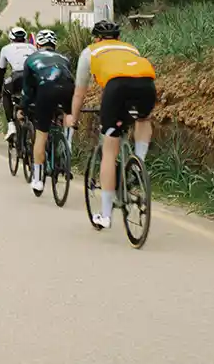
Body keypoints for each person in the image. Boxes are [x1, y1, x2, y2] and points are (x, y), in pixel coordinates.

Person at [65, 19, 156, 230]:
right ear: (118, 38)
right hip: (146, 84)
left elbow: (80, 92)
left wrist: (74, 119)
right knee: (143, 118)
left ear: (96, 38)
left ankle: (105, 215)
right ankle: (139, 162)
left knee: (109, 149)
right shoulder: (130, 48)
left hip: (117, 88)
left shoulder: (90, 52)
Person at [22, 29, 74, 193]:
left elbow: (28, 90)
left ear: (37, 45)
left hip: (46, 90)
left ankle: (37, 179)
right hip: (68, 89)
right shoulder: (64, 58)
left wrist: (23, 107)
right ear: (54, 45)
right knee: (68, 114)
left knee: (41, 134)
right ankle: (67, 144)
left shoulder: (31, 59)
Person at [0, 26, 35, 139]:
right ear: (25, 38)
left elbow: (1, 71)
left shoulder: (6, 48)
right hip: (33, 77)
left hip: (17, 77)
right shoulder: (32, 47)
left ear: (11, 38)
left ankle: (11, 124)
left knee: (6, 92)